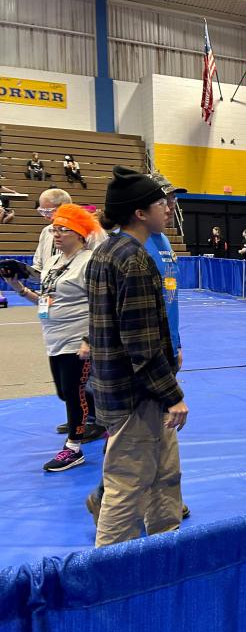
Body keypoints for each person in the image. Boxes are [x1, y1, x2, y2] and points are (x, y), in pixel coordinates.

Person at [85, 166, 189, 548]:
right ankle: (111, 572)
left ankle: (165, 548)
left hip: (127, 389)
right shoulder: (134, 260)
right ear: (140, 213)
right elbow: (141, 346)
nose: (168, 209)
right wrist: (172, 395)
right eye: (161, 204)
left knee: (165, 474)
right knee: (126, 486)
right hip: (135, 395)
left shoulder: (106, 252)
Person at [1, 204, 107, 470]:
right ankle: (106, 420)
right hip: (54, 336)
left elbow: (102, 304)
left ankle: (74, 447)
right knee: (65, 392)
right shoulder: (53, 262)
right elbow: (46, 301)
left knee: (74, 393)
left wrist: (89, 338)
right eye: (55, 229)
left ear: (80, 234)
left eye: (64, 230)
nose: (56, 234)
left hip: (77, 338)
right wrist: (18, 287)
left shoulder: (91, 262)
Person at [33, 187, 72, 275]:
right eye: (42, 212)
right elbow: (38, 266)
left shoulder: (86, 231)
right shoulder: (46, 231)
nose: (45, 217)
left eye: (48, 212)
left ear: (64, 207)